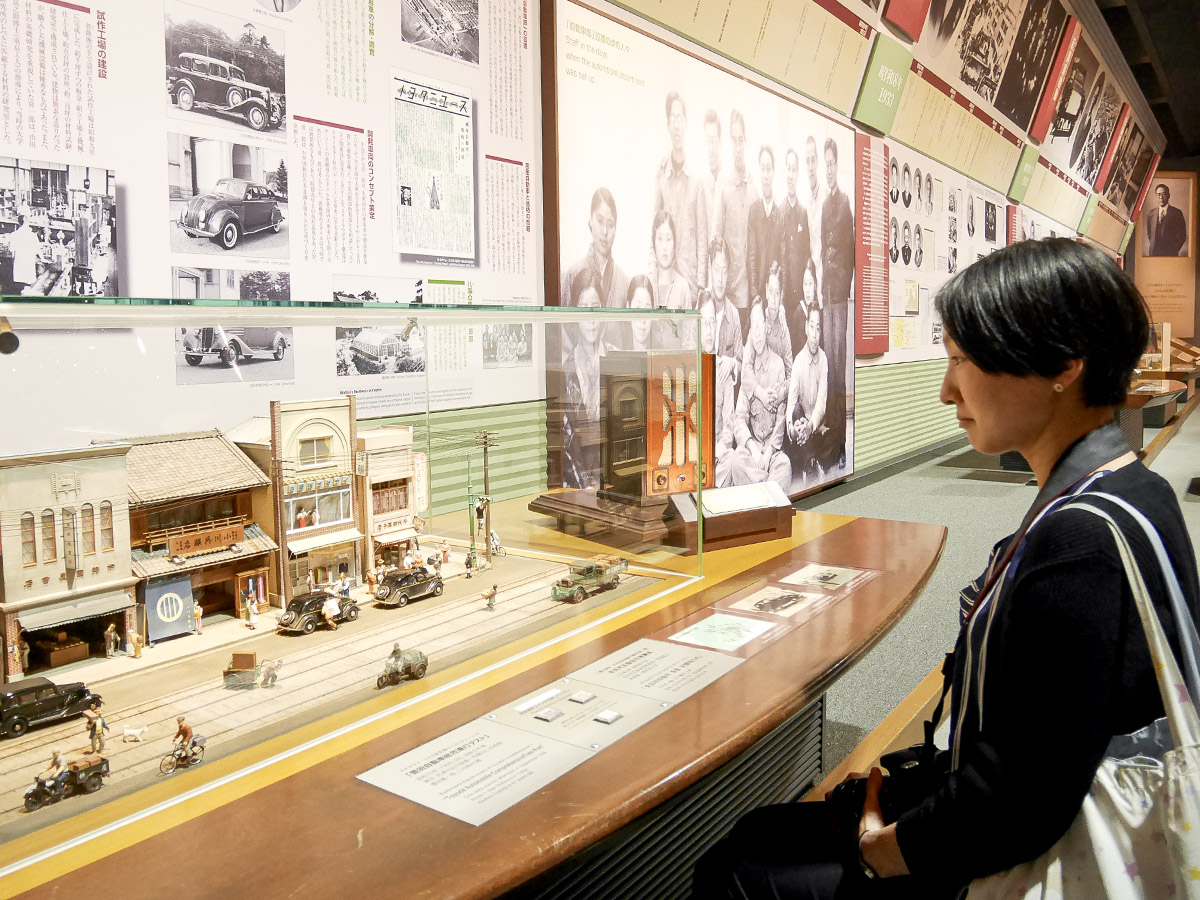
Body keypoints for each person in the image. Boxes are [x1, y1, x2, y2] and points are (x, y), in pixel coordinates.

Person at [692, 238, 1200, 900]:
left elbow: (1019, 801)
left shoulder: (1078, 540)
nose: (945, 390)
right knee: (763, 834)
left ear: (1064, 365)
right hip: (1014, 795)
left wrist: (886, 852)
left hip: (1026, 850)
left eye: (962, 359)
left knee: (739, 873)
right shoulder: (1135, 488)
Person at [731, 303, 791, 492]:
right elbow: (739, 419)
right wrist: (754, 449)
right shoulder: (748, 373)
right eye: (753, 327)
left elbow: (781, 418)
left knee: (785, 467)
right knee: (737, 461)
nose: (757, 332)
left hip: (772, 451)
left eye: (760, 325)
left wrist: (768, 453)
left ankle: (755, 490)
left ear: (766, 327)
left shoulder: (778, 365)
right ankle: (768, 490)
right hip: (753, 449)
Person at [654, 91, 707, 293]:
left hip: (690, 283)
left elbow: (702, 237)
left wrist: (701, 285)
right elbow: (653, 231)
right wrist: (653, 274)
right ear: (668, 125)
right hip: (665, 281)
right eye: (672, 119)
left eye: (680, 118)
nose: (676, 125)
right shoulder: (660, 174)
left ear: (686, 124)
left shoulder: (697, 178)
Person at [820, 138, 853, 468]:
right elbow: (820, 250)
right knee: (827, 370)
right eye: (824, 164)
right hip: (824, 297)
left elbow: (850, 252)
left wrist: (841, 287)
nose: (828, 169)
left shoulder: (844, 204)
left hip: (839, 299)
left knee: (839, 373)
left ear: (837, 165)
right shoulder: (824, 206)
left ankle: (841, 443)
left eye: (832, 164)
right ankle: (829, 442)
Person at [713, 109, 757, 322]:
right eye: (734, 140)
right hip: (728, 292)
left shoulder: (754, 186)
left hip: (749, 294)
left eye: (741, 140)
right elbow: (715, 238)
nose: (738, 148)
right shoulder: (722, 182)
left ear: (746, 142)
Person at [785, 306, 833, 483]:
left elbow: (821, 402)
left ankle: (811, 460)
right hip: (801, 423)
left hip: (816, 423)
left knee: (830, 439)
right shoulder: (798, 361)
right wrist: (793, 429)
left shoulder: (823, 360)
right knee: (796, 411)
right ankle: (811, 462)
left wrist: (810, 425)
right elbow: (791, 403)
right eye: (811, 327)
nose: (814, 334)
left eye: (818, 328)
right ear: (806, 328)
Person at [560, 188, 629, 310]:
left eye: (610, 224)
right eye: (600, 221)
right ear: (591, 221)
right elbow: (563, 326)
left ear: (616, 229)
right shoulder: (573, 274)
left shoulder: (623, 282)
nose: (605, 231)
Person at [746, 145, 784, 313]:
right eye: (763, 169)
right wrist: (755, 295)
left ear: (774, 172)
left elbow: (782, 257)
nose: (766, 174)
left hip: (774, 296)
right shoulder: (754, 211)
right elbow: (751, 258)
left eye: (769, 169)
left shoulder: (780, 215)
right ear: (759, 172)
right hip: (757, 296)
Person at [780, 148, 812, 328]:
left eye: (794, 170)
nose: (791, 175)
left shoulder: (803, 213)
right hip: (785, 298)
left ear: (798, 173)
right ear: (785, 172)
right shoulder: (779, 211)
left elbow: (806, 254)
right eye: (788, 169)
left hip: (800, 298)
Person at [1144, 183, 1187, 256]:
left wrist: (1174, 249)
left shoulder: (1177, 213)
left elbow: (1182, 236)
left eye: (1163, 194)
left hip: (1170, 253)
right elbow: (1150, 234)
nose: (1161, 197)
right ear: (1156, 196)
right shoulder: (1151, 214)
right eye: (1159, 194)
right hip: (1154, 253)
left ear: (1168, 196)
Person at [7, 211, 42, 295]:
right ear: (27, 223)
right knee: (27, 287)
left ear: (18, 223)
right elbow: (38, 250)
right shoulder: (32, 235)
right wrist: (43, 259)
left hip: (18, 267)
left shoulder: (14, 235)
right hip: (28, 267)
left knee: (19, 287)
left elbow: (11, 250)